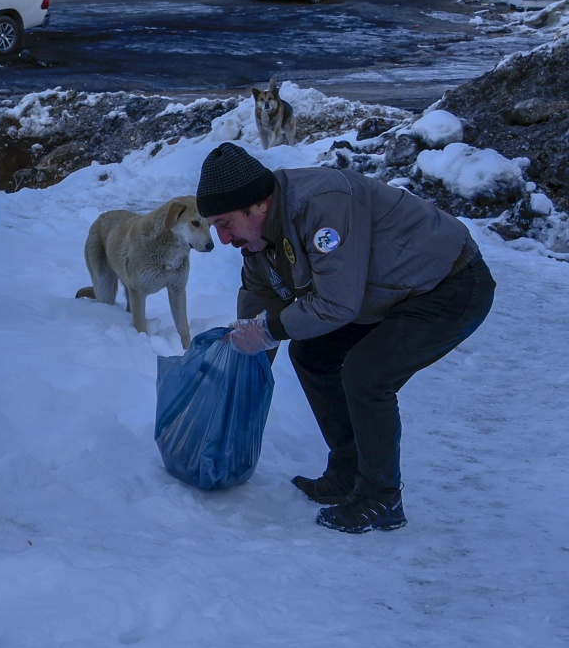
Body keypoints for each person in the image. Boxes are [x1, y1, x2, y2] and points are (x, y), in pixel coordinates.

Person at [198, 142, 495, 534]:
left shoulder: (321, 205)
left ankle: (381, 497)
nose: (221, 238)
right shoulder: (257, 238)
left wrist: (269, 331)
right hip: (385, 294)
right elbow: (260, 303)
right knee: (312, 354)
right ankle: (349, 470)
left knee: (367, 375)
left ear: (259, 205)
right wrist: (242, 370)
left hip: (449, 285)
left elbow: (336, 304)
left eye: (225, 223)